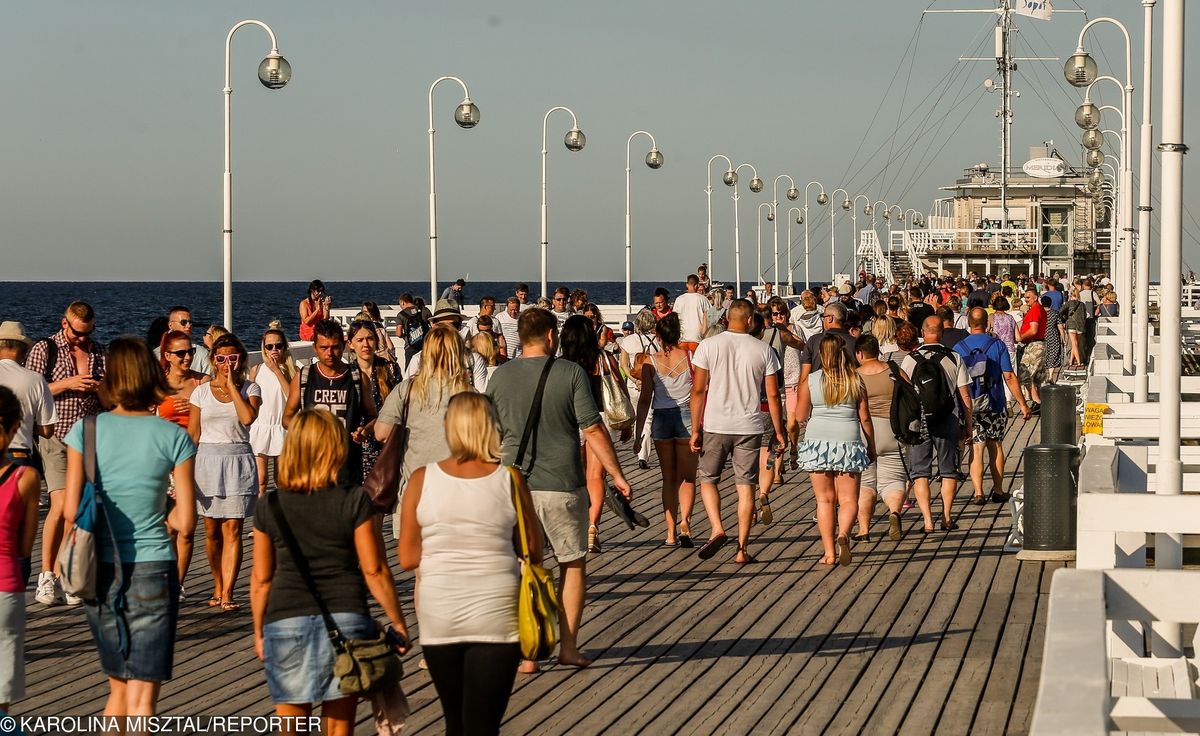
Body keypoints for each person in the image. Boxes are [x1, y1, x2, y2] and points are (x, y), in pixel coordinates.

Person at [485, 308, 633, 669]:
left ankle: (528, 651)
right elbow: (593, 428)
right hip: (562, 485)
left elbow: (488, 432)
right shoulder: (571, 373)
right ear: (551, 336)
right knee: (572, 564)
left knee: (524, 565)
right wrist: (617, 474)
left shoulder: (499, 376)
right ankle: (567, 646)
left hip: (512, 484)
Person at [251, 410, 409, 733]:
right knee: (338, 729)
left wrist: (258, 631)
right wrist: (397, 622)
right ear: (333, 449)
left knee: (291, 726)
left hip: (285, 621)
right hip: (346, 620)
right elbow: (375, 570)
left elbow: (261, 579)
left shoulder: (271, 505)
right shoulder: (353, 501)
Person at [63, 337, 196, 720]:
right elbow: (185, 523)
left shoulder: (85, 432)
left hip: (100, 568)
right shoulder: (173, 436)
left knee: (117, 694)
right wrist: (163, 509)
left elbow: (72, 509)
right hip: (153, 566)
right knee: (143, 704)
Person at [398, 393, 540, 735]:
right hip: (496, 611)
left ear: (450, 428)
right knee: (484, 725)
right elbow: (533, 551)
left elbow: (407, 558)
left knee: (455, 721)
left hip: (440, 612)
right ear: (491, 427)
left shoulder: (421, 479)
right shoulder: (510, 479)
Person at [690, 299, 786, 565]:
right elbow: (773, 395)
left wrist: (695, 429)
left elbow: (698, 390)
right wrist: (779, 431)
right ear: (749, 320)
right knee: (746, 487)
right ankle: (742, 549)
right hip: (749, 426)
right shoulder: (763, 350)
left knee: (708, 479)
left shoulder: (708, 346)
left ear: (727, 318)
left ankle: (717, 528)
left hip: (715, 424)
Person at [25, 301, 106, 607]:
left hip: (88, 435)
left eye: (88, 332)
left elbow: (109, 394)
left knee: (77, 510)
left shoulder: (99, 351)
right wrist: (68, 383)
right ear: (64, 324)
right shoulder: (45, 349)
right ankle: (45, 574)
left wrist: (99, 388)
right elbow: (35, 389)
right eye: (78, 333)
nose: (83, 339)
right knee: (60, 504)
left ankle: (63, 576)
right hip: (56, 435)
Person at [188, 334, 261, 611]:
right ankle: (218, 583)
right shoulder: (200, 393)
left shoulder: (251, 389)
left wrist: (232, 386)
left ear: (240, 359)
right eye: (220, 359)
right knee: (211, 530)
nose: (226, 364)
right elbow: (193, 434)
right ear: (213, 360)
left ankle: (228, 591)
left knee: (233, 528)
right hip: (206, 461)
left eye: (232, 358)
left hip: (238, 459)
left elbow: (247, 418)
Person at [375, 324, 473, 516]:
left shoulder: (407, 389)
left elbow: (381, 433)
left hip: (414, 494)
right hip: (457, 497)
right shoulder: (469, 394)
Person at [794, 334, 875, 565]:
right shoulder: (856, 380)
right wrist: (871, 446)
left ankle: (829, 553)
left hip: (818, 441)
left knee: (824, 500)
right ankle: (844, 534)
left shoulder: (811, 380)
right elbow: (865, 418)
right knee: (849, 499)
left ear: (821, 355)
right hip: (848, 439)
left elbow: (800, 416)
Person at [560, 316, 630, 554]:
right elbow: (620, 387)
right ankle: (592, 527)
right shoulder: (603, 358)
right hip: (601, 419)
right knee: (595, 477)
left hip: (571, 420)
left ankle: (574, 526)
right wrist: (628, 422)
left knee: (573, 475)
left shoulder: (562, 363)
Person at [900, 317, 973, 533]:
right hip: (947, 416)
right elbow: (965, 395)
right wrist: (968, 424)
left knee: (920, 472)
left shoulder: (910, 359)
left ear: (923, 332)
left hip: (920, 419)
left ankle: (927, 521)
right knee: (948, 470)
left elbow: (905, 395)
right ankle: (947, 517)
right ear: (941, 333)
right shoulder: (954, 358)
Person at [283, 320, 376, 485]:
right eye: (324, 348)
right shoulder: (304, 376)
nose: (329, 353)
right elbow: (287, 418)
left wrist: (365, 431)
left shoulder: (358, 378)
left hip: (347, 467)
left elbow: (372, 416)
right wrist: (306, 433)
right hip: (311, 467)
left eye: (335, 347)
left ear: (344, 346)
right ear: (315, 348)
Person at [955, 308, 1032, 505]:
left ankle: (978, 492)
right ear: (986, 323)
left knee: (976, 448)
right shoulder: (996, 345)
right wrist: (1022, 403)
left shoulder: (958, 347)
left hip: (970, 404)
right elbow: (1009, 376)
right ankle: (998, 490)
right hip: (994, 403)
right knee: (995, 445)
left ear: (969, 323)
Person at [633, 313, 697, 547]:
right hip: (686, 418)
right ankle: (686, 524)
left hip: (661, 419)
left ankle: (670, 533)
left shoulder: (650, 362)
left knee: (668, 478)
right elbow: (698, 393)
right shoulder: (690, 357)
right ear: (678, 335)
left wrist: (640, 434)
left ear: (658, 336)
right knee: (688, 478)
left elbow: (644, 399)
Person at [157, 330, 208, 597]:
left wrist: (195, 408)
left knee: (187, 528)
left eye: (190, 351)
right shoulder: (157, 386)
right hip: (162, 463)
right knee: (166, 527)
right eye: (180, 353)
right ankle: (166, 579)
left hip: (193, 460)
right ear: (167, 356)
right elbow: (142, 420)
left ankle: (177, 583)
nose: (187, 357)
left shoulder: (202, 383)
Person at [0, 386, 41, 711]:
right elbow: (25, 545)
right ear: (17, 427)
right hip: (6, 584)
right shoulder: (25, 477)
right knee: (3, 698)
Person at [853, 335, 907, 541]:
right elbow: (911, 394)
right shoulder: (894, 370)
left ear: (860, 353)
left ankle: (864, 530)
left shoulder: (854, 376)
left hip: (863, 432)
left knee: (866, 483)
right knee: (893, 478)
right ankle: (894, 512)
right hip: (892, 429)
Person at [0, 322, 55, 472]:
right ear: (24, 351)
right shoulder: (36, 379)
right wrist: (29, 425)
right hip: (18, 455)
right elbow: (48, 431)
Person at [348, 320, 399, 480]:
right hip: (356, 447)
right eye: (360, 340)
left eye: (370, 338)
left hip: (387, 443)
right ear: (350, 344)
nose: (365, 344)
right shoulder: (347, 374)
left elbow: (401, 406)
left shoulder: (390, 369)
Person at [249, 329, 295, 497]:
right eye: (269, 346)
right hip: (261, 426)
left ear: (284, 347)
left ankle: (281, 514)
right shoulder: (256, 370)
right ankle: (262, 516)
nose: (274, 350)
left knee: (281, 479)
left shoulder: (291, 369)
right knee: (261, 479)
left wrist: (277, 370)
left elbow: (292, 396)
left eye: (278, 345)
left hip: (281, 427)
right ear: (264, 348)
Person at [618, 309, 659, 470]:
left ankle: (637, 445)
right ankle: (643, 455)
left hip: (632, 384)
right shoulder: (657, 342)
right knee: (647, 419)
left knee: (635, 417)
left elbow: (624, 364)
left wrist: (633, 379)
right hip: (650, 384)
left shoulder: (628, 341)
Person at [1017, 289, 1046, 414]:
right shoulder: (1037, 309)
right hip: (1035, 344)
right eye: (1025, 297)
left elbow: (1034, 330)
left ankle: (1038, 402)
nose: (1026, 300)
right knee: (1031, 375)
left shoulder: (1035, 309)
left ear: (1035, 297)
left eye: (1028, 297)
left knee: (1029, 374)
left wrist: (1020, 338)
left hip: (1034, 344)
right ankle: (1037, 401)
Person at [674, 275, 710, 352]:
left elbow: (674, 319)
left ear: (687, 284)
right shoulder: (703, 300)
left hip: (682, 338)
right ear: (697, 285)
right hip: (697, 339)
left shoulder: (679, 300)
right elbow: (709, 318)